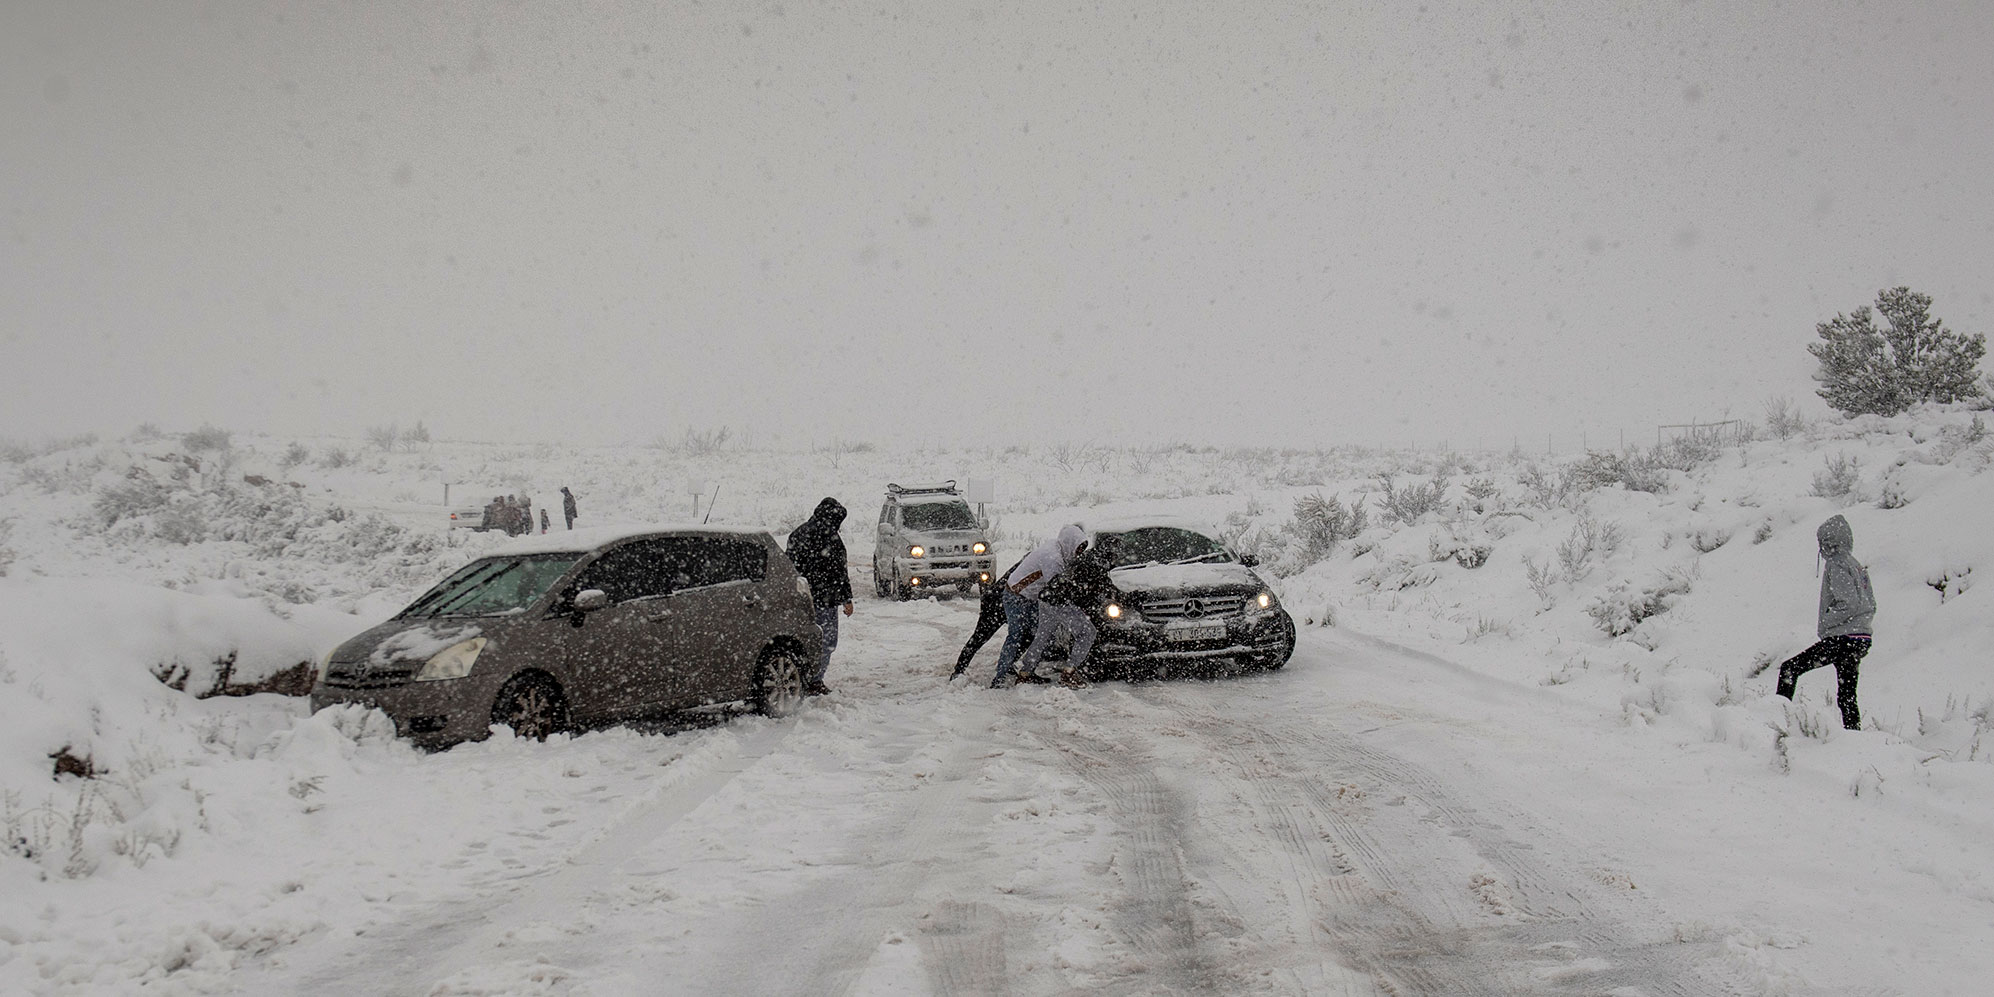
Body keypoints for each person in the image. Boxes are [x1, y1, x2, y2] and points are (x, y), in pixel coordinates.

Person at [1775, 514, 1876, 731]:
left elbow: (1848, 603)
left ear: (1829, 542)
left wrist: (1827, 621)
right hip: (1861, 638)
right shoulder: (1857, 566)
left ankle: (1777, 722)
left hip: (1843, 638)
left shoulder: (1836, 564)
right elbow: (1871, 604)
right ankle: (1855, 737)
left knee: (1789, 669)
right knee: (1847, 695)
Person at [1017, 534, 1122, 687]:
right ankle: (1069, 672)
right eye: (1117, 553)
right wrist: (1128, 598)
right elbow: (1099, 588)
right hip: (1060, 601)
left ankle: (1025, 672)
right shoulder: (1099, 563)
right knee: (1088, 632)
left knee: (1043, 636)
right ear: (1111, 552)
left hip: (1047, 597)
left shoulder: (1089, 557)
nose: (1117, 556)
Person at [990, 524, 1086, 689]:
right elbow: (1056, 588)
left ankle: (1026, 672)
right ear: (1070, 543)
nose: (1078, 554)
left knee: (1039, 635)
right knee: (1016, 636)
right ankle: (1000, 677)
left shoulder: (1058, 548)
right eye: (1078, 549)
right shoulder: (1052, 558)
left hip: (1031, 597)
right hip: (1016, 596)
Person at [786, 497, 854, 696]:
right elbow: (839, 572)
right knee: (826, 642)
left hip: (802, 600)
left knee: (802, 641)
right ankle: (815, 680)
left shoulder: (798, 534)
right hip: (825, 600)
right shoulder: (831, 539)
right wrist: (846, 599)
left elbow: (789, 569)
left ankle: (802, 678)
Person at [953, 558, 1032, 678]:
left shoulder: (1035, 558)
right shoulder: (1045, 561)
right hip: (999, 600)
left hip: (1002, 597)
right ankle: (958, 671)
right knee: (981, 636)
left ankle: (1008, 663)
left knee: (1025, 634)